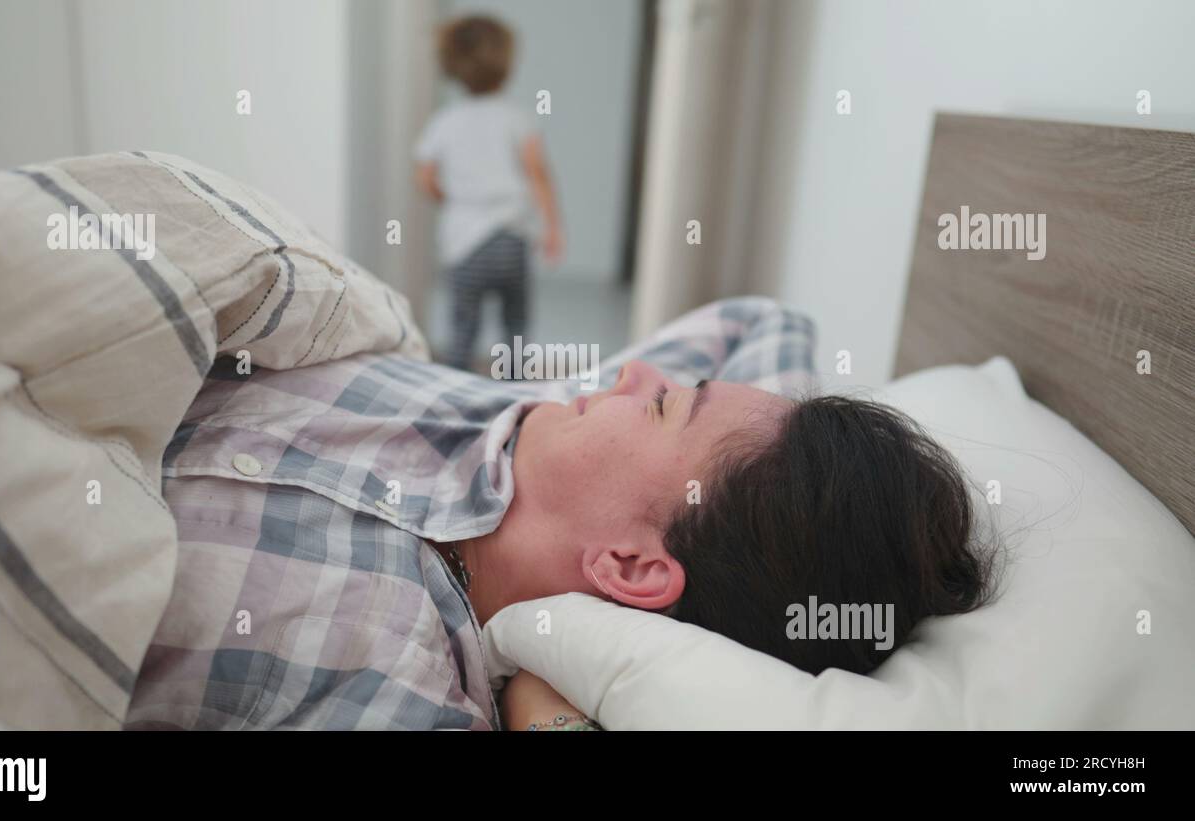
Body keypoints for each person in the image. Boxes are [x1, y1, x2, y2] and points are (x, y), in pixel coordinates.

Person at [125, 297, 995, 731]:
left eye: (665, 406)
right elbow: (764, 321)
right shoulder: (543, 413)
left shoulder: (408, 695)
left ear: (632, 566)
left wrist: (546, 697)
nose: (633, 375)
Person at [414, 14, 563, 371]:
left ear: (452, 66)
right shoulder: (519, 118)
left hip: (465, 245)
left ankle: (454, 391)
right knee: (515, 326)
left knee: (463, 327)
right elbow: (538, 174)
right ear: (506, 65)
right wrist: (553, 227)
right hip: (512, 240)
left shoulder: (444, 121)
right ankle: (514, 394)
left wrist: (451, 201)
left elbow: (426, 177)